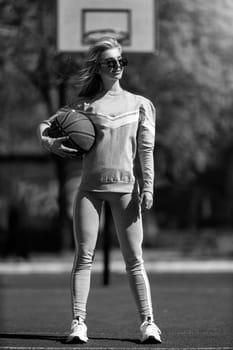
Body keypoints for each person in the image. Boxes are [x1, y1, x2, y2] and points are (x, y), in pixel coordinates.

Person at [38, 37, 162, 344]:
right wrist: (50, 141)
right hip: (90, 191)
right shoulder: (82, 107)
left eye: (120, 61)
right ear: (98, 67)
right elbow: (45, 126)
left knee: (134, 260)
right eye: (110, 62)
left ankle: (148, 323)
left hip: (126, 191)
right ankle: (78, 323)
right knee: (84, 258)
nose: (117, 67)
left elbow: (146, 152)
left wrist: (148, 187)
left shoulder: (140, 105)